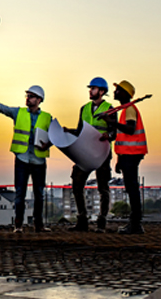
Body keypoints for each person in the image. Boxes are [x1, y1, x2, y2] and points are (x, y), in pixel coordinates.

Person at [0, 86, 52, 233]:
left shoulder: (47, 118)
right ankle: (18, 225)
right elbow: (2, 108)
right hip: (22, 159)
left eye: (31, 96)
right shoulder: (19, 112)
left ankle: (39, 225)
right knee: (20, 194)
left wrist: (48, 144)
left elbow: (56, 136)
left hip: (38, 161)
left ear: (39, 100)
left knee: (39, 194)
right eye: (27, 96)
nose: (28, 98)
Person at [63, 77, 116, 233]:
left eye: (93, 88)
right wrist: (69, 131)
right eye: (90, 88)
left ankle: (101, 222)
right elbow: (81, 130)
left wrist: (109, 135)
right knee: (77, 184)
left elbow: (115, 131)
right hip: (85, 152)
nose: (90, 91)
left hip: (102, 153)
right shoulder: (84, 108)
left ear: (101, 91)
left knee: (103, 188)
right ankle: (82, 220)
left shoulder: (110, 109)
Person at [110, 80, 148, 234]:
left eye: (117, 89)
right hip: (128, 155)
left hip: (132, 154)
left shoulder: (130, 109)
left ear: (125, 93)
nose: (114, 92)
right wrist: (119, 159)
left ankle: (135, 224)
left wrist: (112, 123)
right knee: (131, 188)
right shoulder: (125, 110)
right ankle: (135, 223)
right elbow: (123, 138)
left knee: (132, 189)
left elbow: (130, 130)